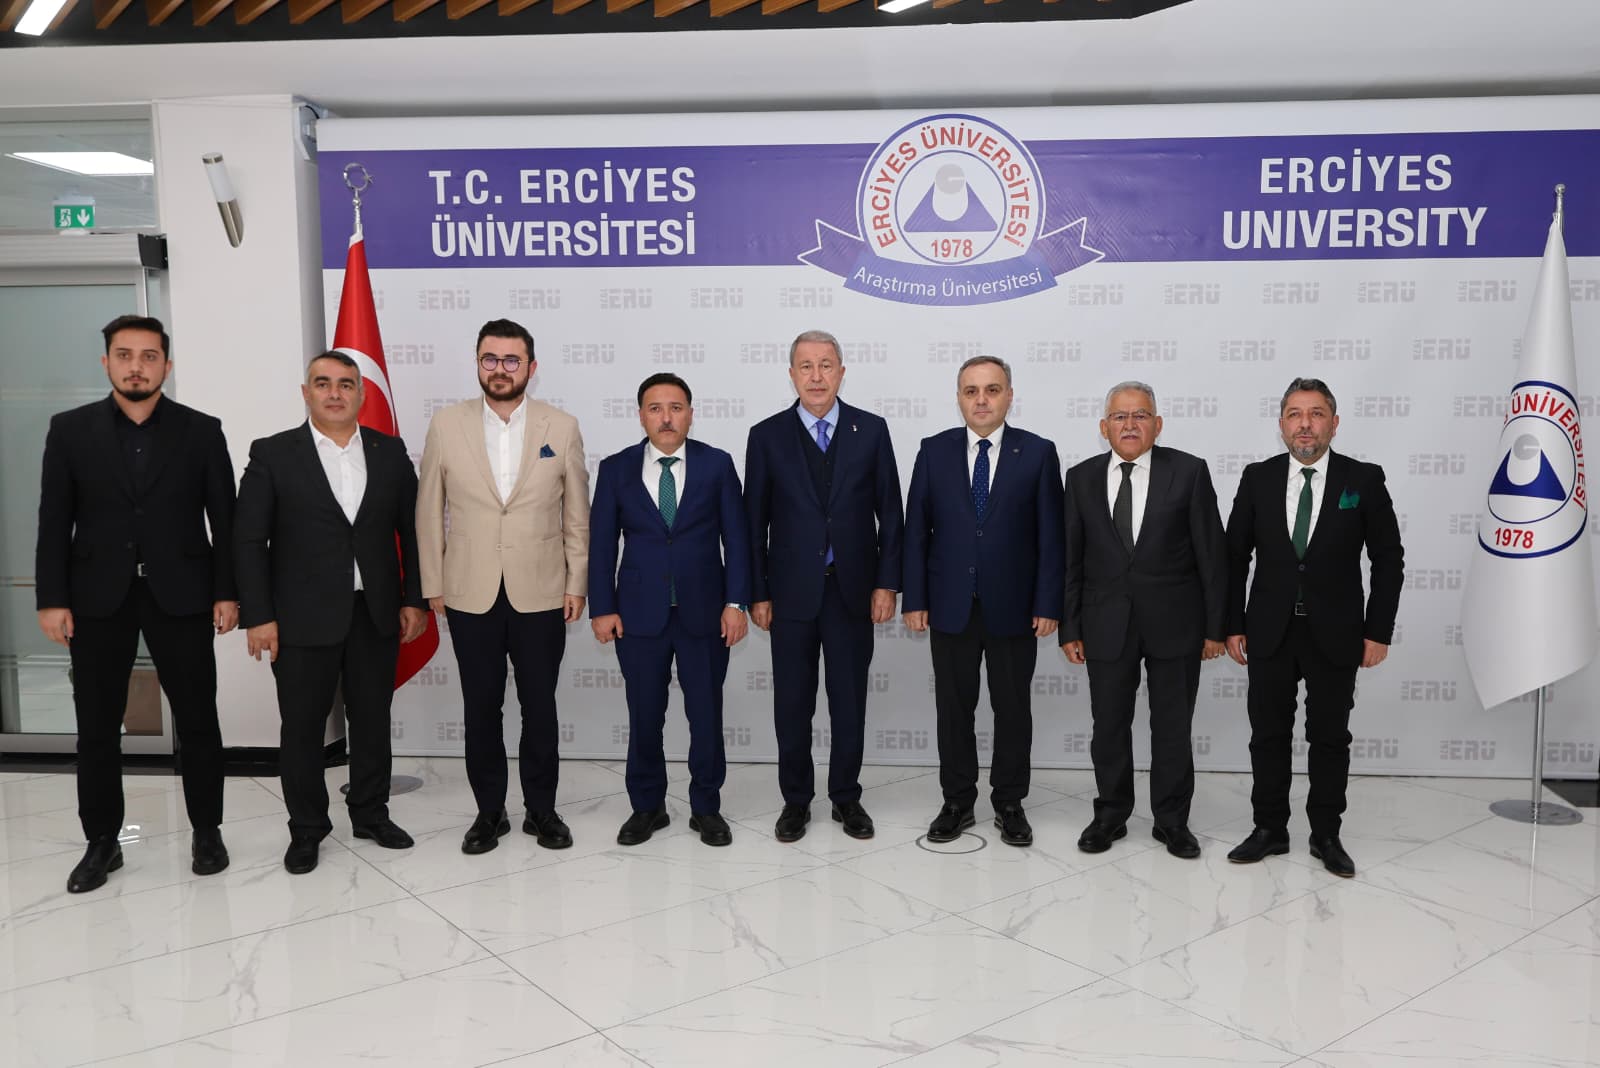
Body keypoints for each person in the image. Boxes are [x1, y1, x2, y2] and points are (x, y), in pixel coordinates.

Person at [35, 314, 237, 894]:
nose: (136, 367)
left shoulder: (202, 431)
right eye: (124, 355)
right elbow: (54, 521)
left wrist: (228, 592)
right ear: (107, 363)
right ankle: (102, 842)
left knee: (198, 720)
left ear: (166, 366)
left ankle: (207, 831)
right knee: (97, 727)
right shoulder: (70, 431)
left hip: (184, 595)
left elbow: (225, 520)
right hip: (97, 599)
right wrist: (52, 599)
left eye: (149, 357)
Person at [234, 351, 429, 874]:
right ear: (306, 393)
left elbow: (412, 532)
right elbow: (249, 540)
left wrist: (414, 599)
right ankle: (307, 829)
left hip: (375, 613)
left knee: (372, 721)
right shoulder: (273, 453)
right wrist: (259, 616)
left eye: (346, 383)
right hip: (299, 618)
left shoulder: (389, 451)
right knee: (302, 728)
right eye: (323, 383)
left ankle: (370, 813)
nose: (335, 393)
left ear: (361, 394)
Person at [417, 319, 589, 855]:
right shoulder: (446, 425)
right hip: (469, 591)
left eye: (511, 360)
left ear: (531, 368)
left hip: (542, 590)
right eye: (489, 359)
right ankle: (489, 813)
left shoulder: (562, 427)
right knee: (481, 707)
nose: (500, 369)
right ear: (477, 363)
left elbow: (577, 514)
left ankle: (542, 810)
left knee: (540, 706)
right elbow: (428, 510)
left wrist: (577, 582)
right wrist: (433, 581)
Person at [1223, 377, 1404, 878]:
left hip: (1337, 633)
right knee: (1268, 735)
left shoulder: (1363, 480)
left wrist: (1378, 632)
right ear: (1281, 424)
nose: (1305, 424)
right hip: (1269, 631)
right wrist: (1231, 624)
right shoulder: (1258, 478)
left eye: (1316, 414)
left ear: (1334, 423)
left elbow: (1388, 560)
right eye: (1295, 414)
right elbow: (1234, 557)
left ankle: (1326, 834)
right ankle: (1269, 829)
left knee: (1329, 737)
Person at [744, 329, 904, 843]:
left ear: (841, 371)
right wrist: (757, 592)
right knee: (792, 703)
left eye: (826, 365)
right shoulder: (766, 436)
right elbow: (753, 524)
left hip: (852, 591)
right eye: (806, 366)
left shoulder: (871, 430)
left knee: (849, 700)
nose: (816, 376)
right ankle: (796, 801)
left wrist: (887, 584)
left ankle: (846, 797)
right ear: (792, 374)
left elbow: (891, 514)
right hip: (788, 595)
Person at [1061, 381, 1228, 859]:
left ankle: (1172, 821)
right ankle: (1110, 815)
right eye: (1120, 416)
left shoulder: (1189, 472)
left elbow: (1212, 556)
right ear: (1104, 427)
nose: (1130, 424)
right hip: (1104, 624)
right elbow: (1071, 558)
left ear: (1157, 424)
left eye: (1140, 416)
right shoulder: (1080, 478)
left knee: (1172, 727)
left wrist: (1215, 628)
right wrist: (1070, 627)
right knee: (1109, 726)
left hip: (1176, 624)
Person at [902, 356, 1063, 846]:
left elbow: (1051, 536)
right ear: (958, 398)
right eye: (971, 391)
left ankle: (1010, 803)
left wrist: (1048, 602)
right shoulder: (933, 451)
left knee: (1012, 709)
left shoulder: (1037, 452)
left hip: (1015, 607)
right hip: (949, 604)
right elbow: (916, 531)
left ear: (1009, 395)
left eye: (992, 389)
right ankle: (957, 802)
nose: (981, 400)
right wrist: (915, 598)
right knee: (954, 710)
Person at [588, 373, 751, 847]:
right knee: (644, 715)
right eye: (656, 408)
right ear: (641, 416)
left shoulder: (716, 465)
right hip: (638, 616)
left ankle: (707, 808)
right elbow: (602, 544)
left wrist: (736, 602)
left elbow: (737, 539)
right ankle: (647, 806)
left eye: (676, 408)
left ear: (690, 415)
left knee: (706, 715)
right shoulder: (616, 469)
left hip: (705, 614)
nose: (666, 417)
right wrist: (602, 607)